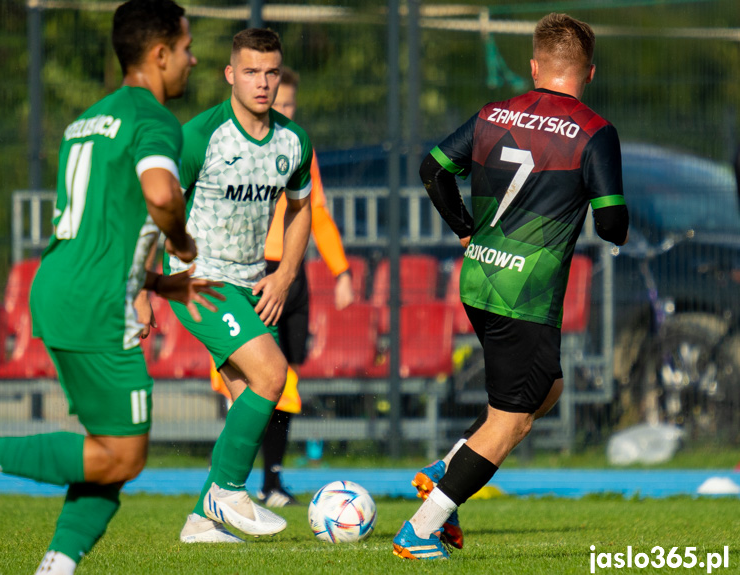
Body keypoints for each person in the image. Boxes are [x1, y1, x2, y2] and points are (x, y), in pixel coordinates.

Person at [0, 2, 222, 573]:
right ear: (158, 54)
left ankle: (55, 567)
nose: (192, 59)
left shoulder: (87, 120)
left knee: (107, 454)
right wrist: (181, 242)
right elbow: (160, 194)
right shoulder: (153, 120)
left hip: (60, 286)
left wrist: (154, 282)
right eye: (186, 47)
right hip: (97, 305)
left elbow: (99, 229)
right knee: (122, 456)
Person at [393, 13, 629, 560]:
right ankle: (422, 530)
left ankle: (451, 464)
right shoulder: (595, 131)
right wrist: (606, 218)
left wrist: (463, 228)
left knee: (548, 388)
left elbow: (432, 169)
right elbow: (612, 223)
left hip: (478, 278)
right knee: (514, 419)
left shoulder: (492, 114)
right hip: (524, 295)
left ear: (533, 66)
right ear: (589, 73)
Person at [168, 29, 313, 543]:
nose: (263, 82)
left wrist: (285, 274)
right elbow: (155, 212)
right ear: (230, 74)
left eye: (271, 72)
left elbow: (300, 210)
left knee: (249, 398)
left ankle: (202, 522)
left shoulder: (293, 141)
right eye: (251, 71)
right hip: (197, 280)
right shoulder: (200, 135)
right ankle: (227, 491)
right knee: (272, 375)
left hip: (252, 282)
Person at [208, 65, 355, 508]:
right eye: (278, 101)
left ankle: (270, 482)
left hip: (293, 274)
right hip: (252, 272)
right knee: (259, 378)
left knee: (284, 377)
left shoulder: (297, 147)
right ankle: (233, 483)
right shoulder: (230, 145)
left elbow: (318, 213)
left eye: (290, 103)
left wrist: (341, 271)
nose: (283, 109)